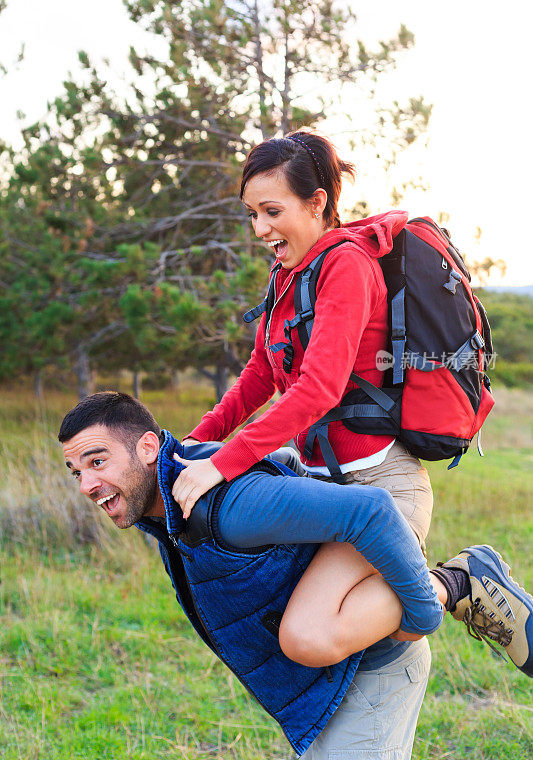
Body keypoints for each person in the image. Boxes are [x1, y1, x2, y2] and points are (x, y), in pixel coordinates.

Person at [168, 130, 516, 666]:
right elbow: (262, 373)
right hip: (326, 488)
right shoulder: (290, 274)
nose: (260, 229)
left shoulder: (346, 266)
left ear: (317, 202)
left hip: (380, 489)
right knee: (292, 617)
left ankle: (456, 582)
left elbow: (319, 389)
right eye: (251, 214)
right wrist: (198, 440)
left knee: (309, 638)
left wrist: (224, 463)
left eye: (271, 211)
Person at [59, 392, 532, 760]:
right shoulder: (169, 505)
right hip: (325, 686)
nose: (86, 485)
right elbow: (282, 465)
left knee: (303, 635)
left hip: (369, 671)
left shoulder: (228, 508)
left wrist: (432, 605)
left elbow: (371, 511)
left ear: (146, 448)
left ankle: (458, 581)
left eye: (97, 461)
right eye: (75, 471)